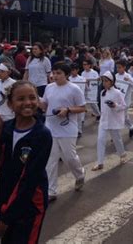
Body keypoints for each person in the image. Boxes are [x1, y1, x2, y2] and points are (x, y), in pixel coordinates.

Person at [0, 81, 52, 243]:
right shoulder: (7, 127)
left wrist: (5, 219)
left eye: (32, 98)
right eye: (20, 99)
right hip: (6, 201)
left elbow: (29, 180)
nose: (27, 103)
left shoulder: (42, 135)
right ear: (10, 104)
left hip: (30, 205)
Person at [41, 62, 86, 201]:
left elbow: (83, 108)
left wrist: (67, 110)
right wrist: (35, 100)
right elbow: (45, 106)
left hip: (67, 128)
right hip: (50, 128)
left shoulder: (74, 89)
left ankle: (80, 174)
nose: (55, 76)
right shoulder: (49, 88)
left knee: (69, 157)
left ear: (66, 74)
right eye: (54, 73)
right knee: (51, 160)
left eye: (59, 73)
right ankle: (51, 191)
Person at [92, 71, 127, 171]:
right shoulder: (102, 92)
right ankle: (100, 163)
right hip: (104, 120)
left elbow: (124, 106)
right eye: (103, 81)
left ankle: (122, 154)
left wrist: (115, 106)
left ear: (112, 82)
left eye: (106, 81)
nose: (104, 83)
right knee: (100, 140)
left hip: (113, 120)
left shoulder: (117, 92)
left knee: (117, 139)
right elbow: (102, 107)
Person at [116, 59, 133, 138]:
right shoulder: (116, 76)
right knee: (118, 117)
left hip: (125, 101)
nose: (118, 69)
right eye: (117, 68)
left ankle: (131, 126)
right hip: (117, 101)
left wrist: (128, 80)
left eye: (120, 67)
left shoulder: (128, 76)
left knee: (123, 117)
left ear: (124, 67)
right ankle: (116, 134)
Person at [69, 63, 86, 137]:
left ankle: (79, 130)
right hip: (70, 99)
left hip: (79, 99)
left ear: (77, 70)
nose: (72, 72)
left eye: (74, 70)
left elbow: (87, 89)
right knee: (72, 116)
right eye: (71, 70)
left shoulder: (82, 79)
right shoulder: (68, 79)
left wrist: (88, 83)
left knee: (79, 117)